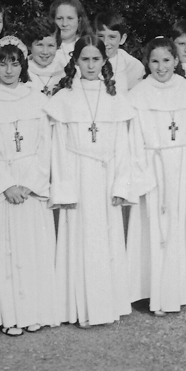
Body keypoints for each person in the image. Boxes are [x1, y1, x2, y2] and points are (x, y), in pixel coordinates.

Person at [46, 35, 138, 328]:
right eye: (84, 59)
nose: (90, 65)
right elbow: (59, 147)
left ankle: (105, 306)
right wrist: (64, 187)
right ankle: (78, 307)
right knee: (80, 241)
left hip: (106, 175)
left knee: (106, 241)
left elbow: (124, 147)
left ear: (104, 61)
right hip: (77, 175)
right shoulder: (64, 98)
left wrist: (122, 185)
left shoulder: (115, 98)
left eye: (95, 59)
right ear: (75, 61)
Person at [0, 39, 58, 335]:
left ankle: (34, 311)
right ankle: (9, 315)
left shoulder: (36, 99)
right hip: (5, 184)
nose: (8, 70)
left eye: (15, 63)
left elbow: (46, 147)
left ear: (23, 67)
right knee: (6, 251)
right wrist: (7, 185)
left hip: (31, 185)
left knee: (33, 249)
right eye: (2, 63)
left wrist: (30, 183)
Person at [126, 37, 186, 316]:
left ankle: (178, 290)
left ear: (176, 61)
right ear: (147, 63)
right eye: (154, 61)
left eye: (166, 60)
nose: (161, 67)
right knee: (150, 229)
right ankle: (148, 291)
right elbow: (134, 138)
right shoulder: (138, 94)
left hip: (179, 164)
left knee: (177, 228)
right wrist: (141, 173)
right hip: (152, 166)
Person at [95, 10, 146, 92]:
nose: (105, 43)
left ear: (122, 39)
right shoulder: (84, 60)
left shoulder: (131, 65)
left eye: (112, 37)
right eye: (100, 36)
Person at [23, 18, 65, 97]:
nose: (45, 52)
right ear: (29, 46)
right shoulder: (22, 72)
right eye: (39, 45)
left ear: (57, 46)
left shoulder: (63, 73)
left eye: (50, 45)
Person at [50, 0, 93, 70]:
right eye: (60, 18)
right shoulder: (46, 49)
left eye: (70, 18)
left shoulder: (89, 46)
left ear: (79, 20)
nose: (64, 24)